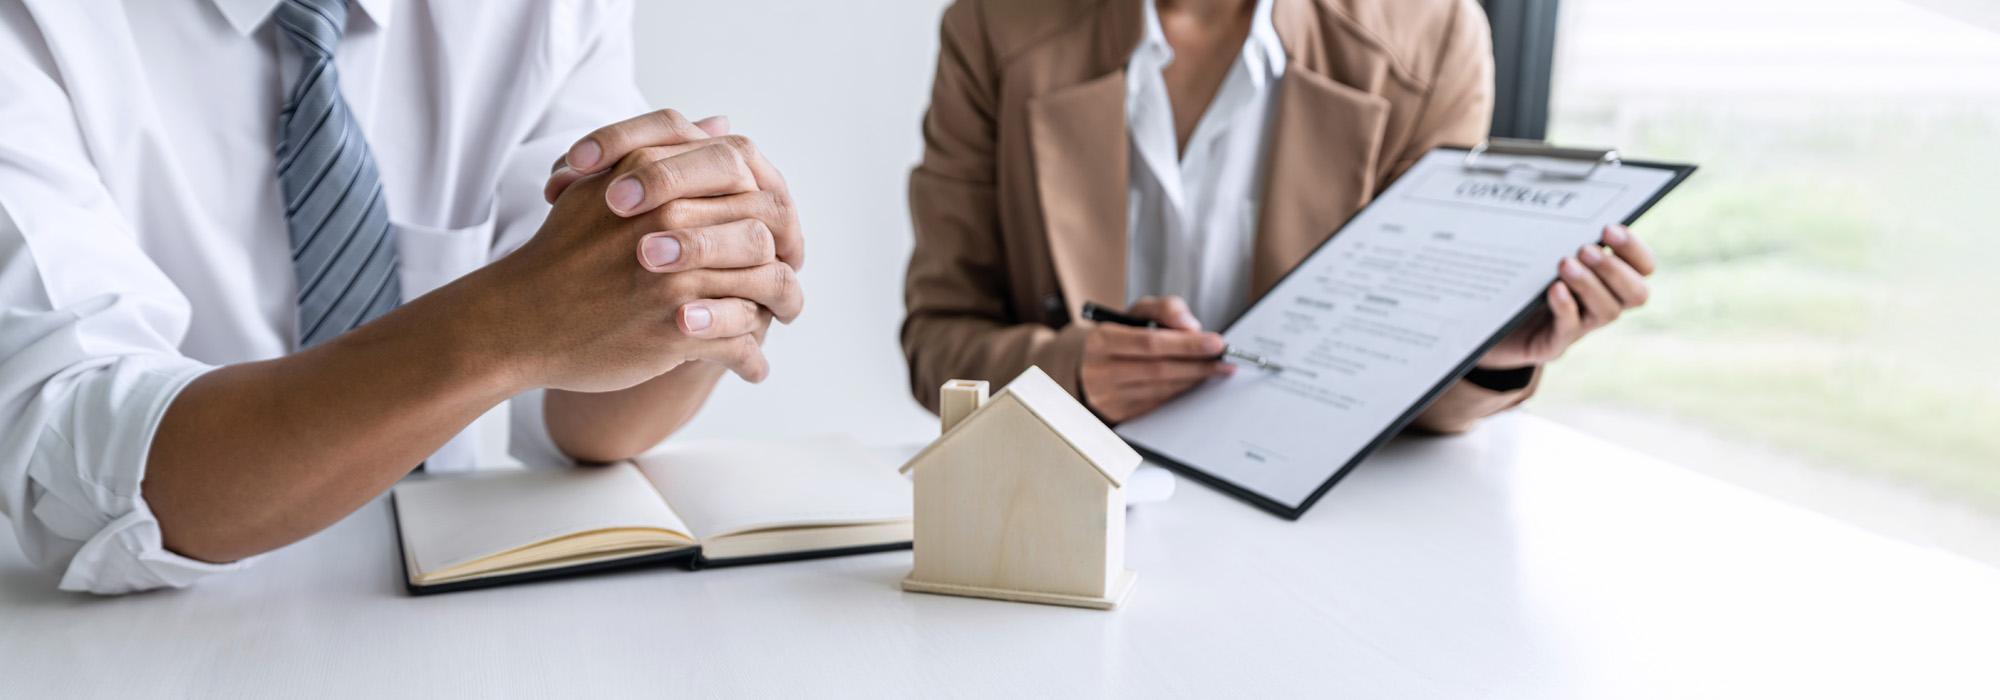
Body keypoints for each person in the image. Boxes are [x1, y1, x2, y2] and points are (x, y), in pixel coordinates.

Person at [0, 0, 800, 594]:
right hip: (147, 636)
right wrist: (506, 326)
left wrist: (700, 297)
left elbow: (584, 415)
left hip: (452, 599)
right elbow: (90, 471)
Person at [902, 0, 1657, 426]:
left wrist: (1476, 353)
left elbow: (1405, 390)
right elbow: (938, 344)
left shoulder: (1431, 35)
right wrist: (1069, 374)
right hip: (1065, 510)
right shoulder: (995, 24)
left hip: (1329, 537)